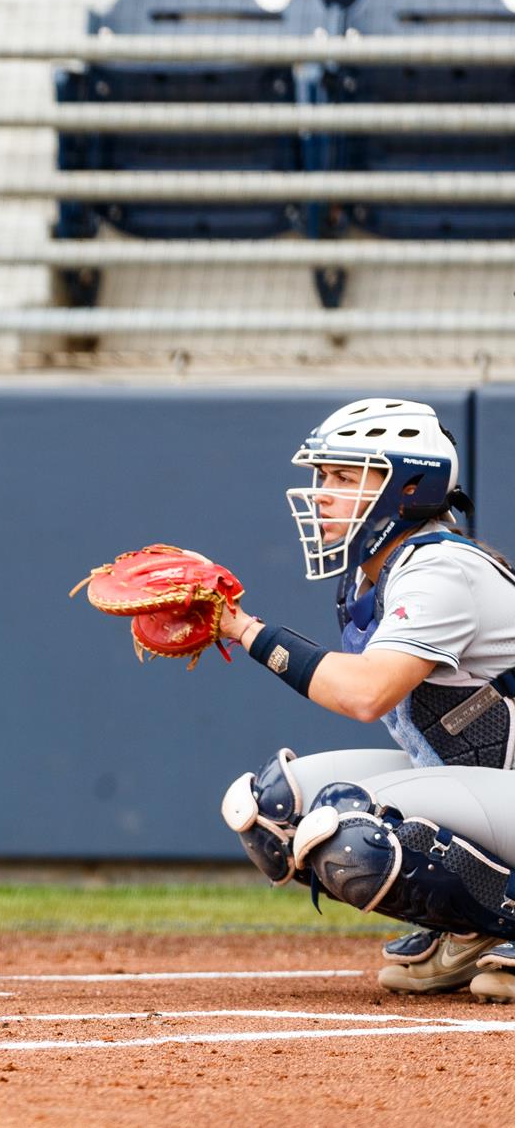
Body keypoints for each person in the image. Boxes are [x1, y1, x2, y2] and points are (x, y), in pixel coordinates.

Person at [217, 397, 515, 1001]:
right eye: (323, 476)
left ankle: (500, 915)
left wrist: (244, 629)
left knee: (349, 832)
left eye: (345, 477)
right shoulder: (371, 574)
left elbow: (367, 694)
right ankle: (471, 929)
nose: (323, 493)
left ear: (408, 487)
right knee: (273, 807)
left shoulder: (439, 569)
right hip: (488, 782)